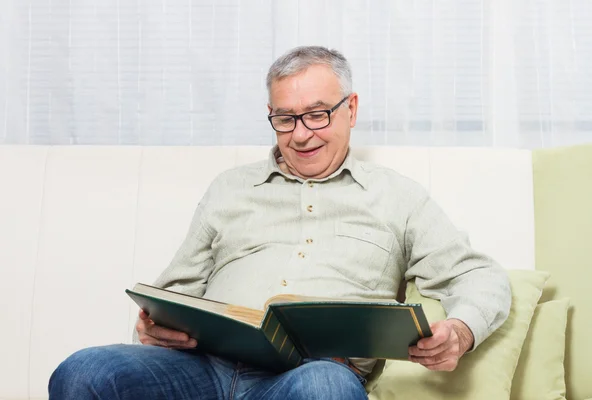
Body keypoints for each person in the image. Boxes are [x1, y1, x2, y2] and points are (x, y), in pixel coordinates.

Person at [48, 46, 511, 400]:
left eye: (317, 114)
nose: (302, 134)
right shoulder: (230, 188)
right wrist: (152, 327)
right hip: (202, 370)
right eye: (285, 119)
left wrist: (462, 330)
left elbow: (478, 277)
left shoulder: (399, 196)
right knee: (83, 370)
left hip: (309, 376)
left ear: (350, 109)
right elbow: (175, 293)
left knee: (327, 388)